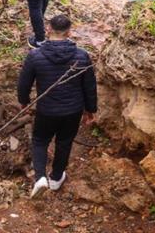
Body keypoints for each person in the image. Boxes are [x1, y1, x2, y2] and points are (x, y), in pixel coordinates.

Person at [17, 14, 97, 198]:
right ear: (69, 32)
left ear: (48, 30)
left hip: (46, 109)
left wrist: (24, 102)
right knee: (64, 142)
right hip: (73, 110)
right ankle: (56, 177)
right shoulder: (81, 56)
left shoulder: (35, 55)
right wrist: (90, 110)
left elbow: (24, 83)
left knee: (39, 141)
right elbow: (89, 86)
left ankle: (40, 178)